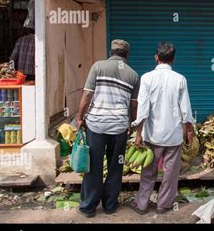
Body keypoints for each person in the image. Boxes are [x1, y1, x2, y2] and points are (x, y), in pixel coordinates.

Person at [76, 39, 139, 217]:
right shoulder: (133, 75)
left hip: (96, 125)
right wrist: (131, 124)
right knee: (115, 167)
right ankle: (110, 205)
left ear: (111, 52)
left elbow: (87, 95)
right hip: (119, 127)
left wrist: (80, 117)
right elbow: (134, 106)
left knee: (93, 166)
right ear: (127, 54)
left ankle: (88, 207)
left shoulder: (98, 67)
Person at [130, 42, 194, 215]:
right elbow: (185, 109)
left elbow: (142, 109)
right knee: (170, 173)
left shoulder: (147, 78)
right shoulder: (180, 79)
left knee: (148, 172)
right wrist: (189, 130)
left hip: (152, 135)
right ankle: (163, 205)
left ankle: (142, 205)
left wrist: (138, 134)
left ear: (156, 57)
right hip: (174, 135)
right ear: (173, 60)